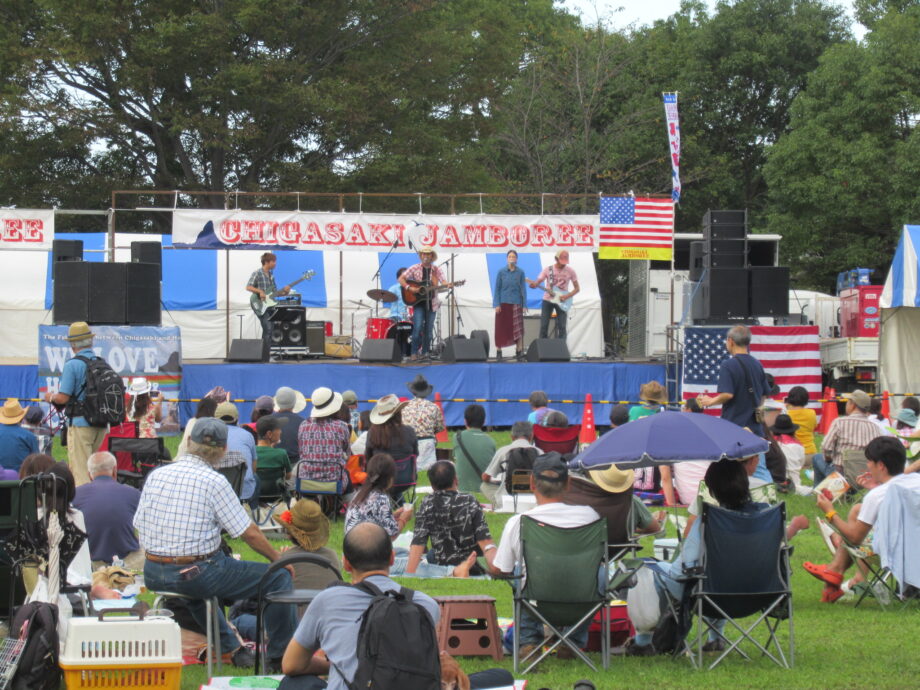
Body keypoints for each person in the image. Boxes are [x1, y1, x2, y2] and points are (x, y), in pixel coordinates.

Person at [134, 417, 295, 669]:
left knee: (195, 590)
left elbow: (139, 524)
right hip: (195, 572)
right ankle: (281, 657)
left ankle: (232, 649)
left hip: (153, 572)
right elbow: (248, 532)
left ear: (188, 441)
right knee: (278, 577)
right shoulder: (215, 481)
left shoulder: (156, 475)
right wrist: (278, 559)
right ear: (223, 450)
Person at [281, 522, 514, 690]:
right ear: (392, 559)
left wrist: (337, 664)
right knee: (499, 675)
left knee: (294, 682)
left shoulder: (326, 601)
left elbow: (291, 664)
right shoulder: (425, 605)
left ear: (346, 563)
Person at [625, 459, 771, 655]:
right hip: (760, 594)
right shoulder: (765, 518)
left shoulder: (705, 522)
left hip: (711, 597)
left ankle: (643, 642)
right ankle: (715, 639)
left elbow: (679, 571)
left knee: (650, 571)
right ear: (746, 484)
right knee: (716, 573)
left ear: (710, 491)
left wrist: (657, 566)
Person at [490, 453, 600, 659]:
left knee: (518, 572)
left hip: (537, 599)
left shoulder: (519, 522)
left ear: (532, 482)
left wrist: (489, 552)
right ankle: (572, 641)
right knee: (599, 573)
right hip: (583, 598)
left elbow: (500, 570)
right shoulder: (590, 516)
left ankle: (528, 641)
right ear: (568, 483)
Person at [804, 436, 909, 603]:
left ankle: (835, 566)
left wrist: (831, 513)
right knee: (857, 510)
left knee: (851, 535)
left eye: (869, 462)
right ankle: (834, 570)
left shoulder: (877, 496)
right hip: (912, 548)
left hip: (895, 555)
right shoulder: (914, 483)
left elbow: (855, 538)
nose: (867, 466)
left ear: (880, 465)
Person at [230, 499, 342, 640]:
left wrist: (281, 557)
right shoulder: (332, 557)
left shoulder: (284, 560)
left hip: (290, 631)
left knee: (239, 620)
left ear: (289, 532)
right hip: (326, 628)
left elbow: (270, 594)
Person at [44, 322, 113, 486]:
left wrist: (50, 397)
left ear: (72, 344)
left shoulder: (72, 364)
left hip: (81, 423)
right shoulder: (102, 363)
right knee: (95, 469)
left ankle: (82, 508)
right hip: (101, 423)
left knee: (80, 471)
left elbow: (63, 398)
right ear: (90, 341)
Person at [404, 461, 495, 577]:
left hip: (442, 564)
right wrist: (495, 566)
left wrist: (409, 574)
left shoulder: (427, 503)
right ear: (456, 480)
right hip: (471, 563)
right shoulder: (469, 500)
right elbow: (484, 539)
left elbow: (418, 543)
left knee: (431, 554)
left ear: (432, 485)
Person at [72, 451, 143, 570]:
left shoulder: (75, 495)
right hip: (128, 562)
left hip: (91, 563)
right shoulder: (133, 494)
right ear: (115, 471)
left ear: (89, 475)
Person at [698, 325, 772, 437]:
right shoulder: (757, 364)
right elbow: (764, 394)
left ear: (730, 341)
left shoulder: (728, 365)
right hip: (755, 430)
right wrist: (757, 409)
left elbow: (727, 394)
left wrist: (710, 401)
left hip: (734, 429)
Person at [814, 389, 882, 485]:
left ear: (852, 405)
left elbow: (826, 448)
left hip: (840, 475)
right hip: (864, 477)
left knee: (817, 458)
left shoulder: (839, 422)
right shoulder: (875, 427)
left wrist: (829, 460)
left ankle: (821, 493)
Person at [344, 453, 412, 539]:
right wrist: (403, 518)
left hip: (351, 546)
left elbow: (373, 518)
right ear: (390, 478)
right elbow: (392, 535)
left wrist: (393, 515)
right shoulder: (381, 498)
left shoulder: (359, 494)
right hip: (368, 549)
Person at [399, 246, 447, 359]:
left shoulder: (436, 270)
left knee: (429, 331)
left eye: (428, 254)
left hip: (432, 303)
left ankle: (425, 352)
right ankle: (414, 352)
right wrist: (410, 288)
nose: (426, 256)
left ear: (432, 256)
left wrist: (446, 284)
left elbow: (444, 281)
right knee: (418, 327)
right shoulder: (415, 268)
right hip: (418, 303)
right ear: (421, 256)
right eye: (424, 254)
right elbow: (401, 279)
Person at [297, 387, 351, 489]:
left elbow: (301, 452)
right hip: (334, 481)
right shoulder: (342, 426)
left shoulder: (303, 425)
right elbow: (347, 453)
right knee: (346, 475)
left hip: (307, 481)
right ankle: (351, 503)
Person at [481, 420, 537, 507]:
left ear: (512, 437)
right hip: (534, 498)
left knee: (484, 485)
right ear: (531, 436)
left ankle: (498, 504)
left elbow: (485, 477)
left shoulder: (503, 451)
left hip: (507, 498)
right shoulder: (539, 452)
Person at [527, 250, 580, 341]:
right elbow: (538, 281)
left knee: (562, 326)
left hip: (562, 300)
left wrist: (566, 296)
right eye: (562, 261)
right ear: (556, 259)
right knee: (544, 325)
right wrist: (534, 285)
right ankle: (543, 348)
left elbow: (577, 288)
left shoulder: (571, 271)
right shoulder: (548, 270)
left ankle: (561, 349)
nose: (564, 264)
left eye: (565, 262)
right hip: (547, 300)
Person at [215, 402, 259, 507]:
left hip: (217, 493)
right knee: (256, 478)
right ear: (237, 418)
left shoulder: (211, 435)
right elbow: (253, 467)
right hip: (244, 491)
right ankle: (253, 511)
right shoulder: (247, 435)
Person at [246, 252, 290, 352]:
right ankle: (265, 355)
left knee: (269, 330)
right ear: (266, 262)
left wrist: (285, 293)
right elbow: (248, 287)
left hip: (269, 305)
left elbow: (274, 294)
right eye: (273, 261)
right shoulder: (257, 273)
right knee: (268, 328)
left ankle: (264, 355)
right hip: (258, 303)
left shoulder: (271, 276)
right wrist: (260, 291)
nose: (275, 264)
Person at [402, 375, 444, 471]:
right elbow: (439, 428)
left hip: (409, 442)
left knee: (411, 471)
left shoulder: (404, 407)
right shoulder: (434, 407)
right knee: (430, 471)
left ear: (413, 391)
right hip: (428, 442)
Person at [453, 404, 496, 493]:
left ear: (465, 421)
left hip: (461, 487)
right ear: (484, 421)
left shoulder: (457, 437)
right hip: (484, 488)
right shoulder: (491, 441)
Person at [493, 249, 528, 360]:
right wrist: (496, 304)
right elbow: (497, 289)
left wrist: (524, 304)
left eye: (514, 256)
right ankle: (499, 352)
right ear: (507, 259)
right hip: (503, 304)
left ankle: (518, 351)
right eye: (510, 256)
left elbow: (523, 289)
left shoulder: (521, 272)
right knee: (500, 328)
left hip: (516, 303)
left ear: (516, 259)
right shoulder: (501, 272)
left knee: (517, 329)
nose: (512, 258)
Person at [771, 414, 808, 494]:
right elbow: (801, 464)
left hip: (775, 481)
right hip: (795, 482)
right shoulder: (798, 446)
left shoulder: (770, 444)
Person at [271, 387, 307, 467]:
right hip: (296, 465)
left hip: (273, 464)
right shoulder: (302, 422)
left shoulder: (268, 420)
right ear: (294, 402)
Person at [0, 399, 38, 472]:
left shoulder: (28, 436)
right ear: (22, 417)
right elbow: (36, 461)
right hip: (22, 480)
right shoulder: (29, 436)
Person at [784, 386, 818, 468]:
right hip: (810, 453)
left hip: (792, 454)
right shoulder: (811, 413)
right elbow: (814, 427)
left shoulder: (786, 414)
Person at [255, 416, 293, 489]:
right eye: (278, 429)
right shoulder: (281, 453)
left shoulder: (251, 452)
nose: (281, 431)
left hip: (256, 494)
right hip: (277, 494)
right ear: (269, 434)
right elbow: (288, 476)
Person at [387, 268, 412, 358]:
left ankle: (412, 352)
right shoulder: (393, 288)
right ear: (398, 278)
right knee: (399, 331)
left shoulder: (411, 288)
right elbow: (386, 296)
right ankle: (399, 353)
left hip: (409, 316)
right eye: (403, 276)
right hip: (396, 315)